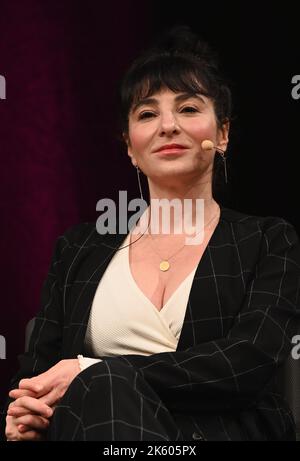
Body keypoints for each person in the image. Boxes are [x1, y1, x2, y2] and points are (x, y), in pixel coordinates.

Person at [3, 25, 300, 441]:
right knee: (102, 394)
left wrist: (93, 369)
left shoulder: (269, 240)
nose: (168, 126)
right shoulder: (78, 248)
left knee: (103, 384)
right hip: (93, 427)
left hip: (217, 433)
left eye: (189, 109)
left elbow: (246, 362)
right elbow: (36, 375)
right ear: (130, 146)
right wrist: (23, 413)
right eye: (147, 114)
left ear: (223, 134)